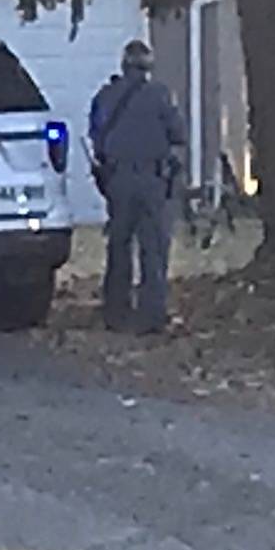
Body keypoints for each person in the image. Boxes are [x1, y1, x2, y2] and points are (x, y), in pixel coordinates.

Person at [89, 39, 187, 334]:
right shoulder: (159, 95)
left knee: (118, 245)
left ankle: (115, 311)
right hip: (151, 180)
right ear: (148, 67)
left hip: (117, 180)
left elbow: (96, 135)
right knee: (153, 248)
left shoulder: (105, 96)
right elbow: (178, 134)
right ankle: (151, 315)